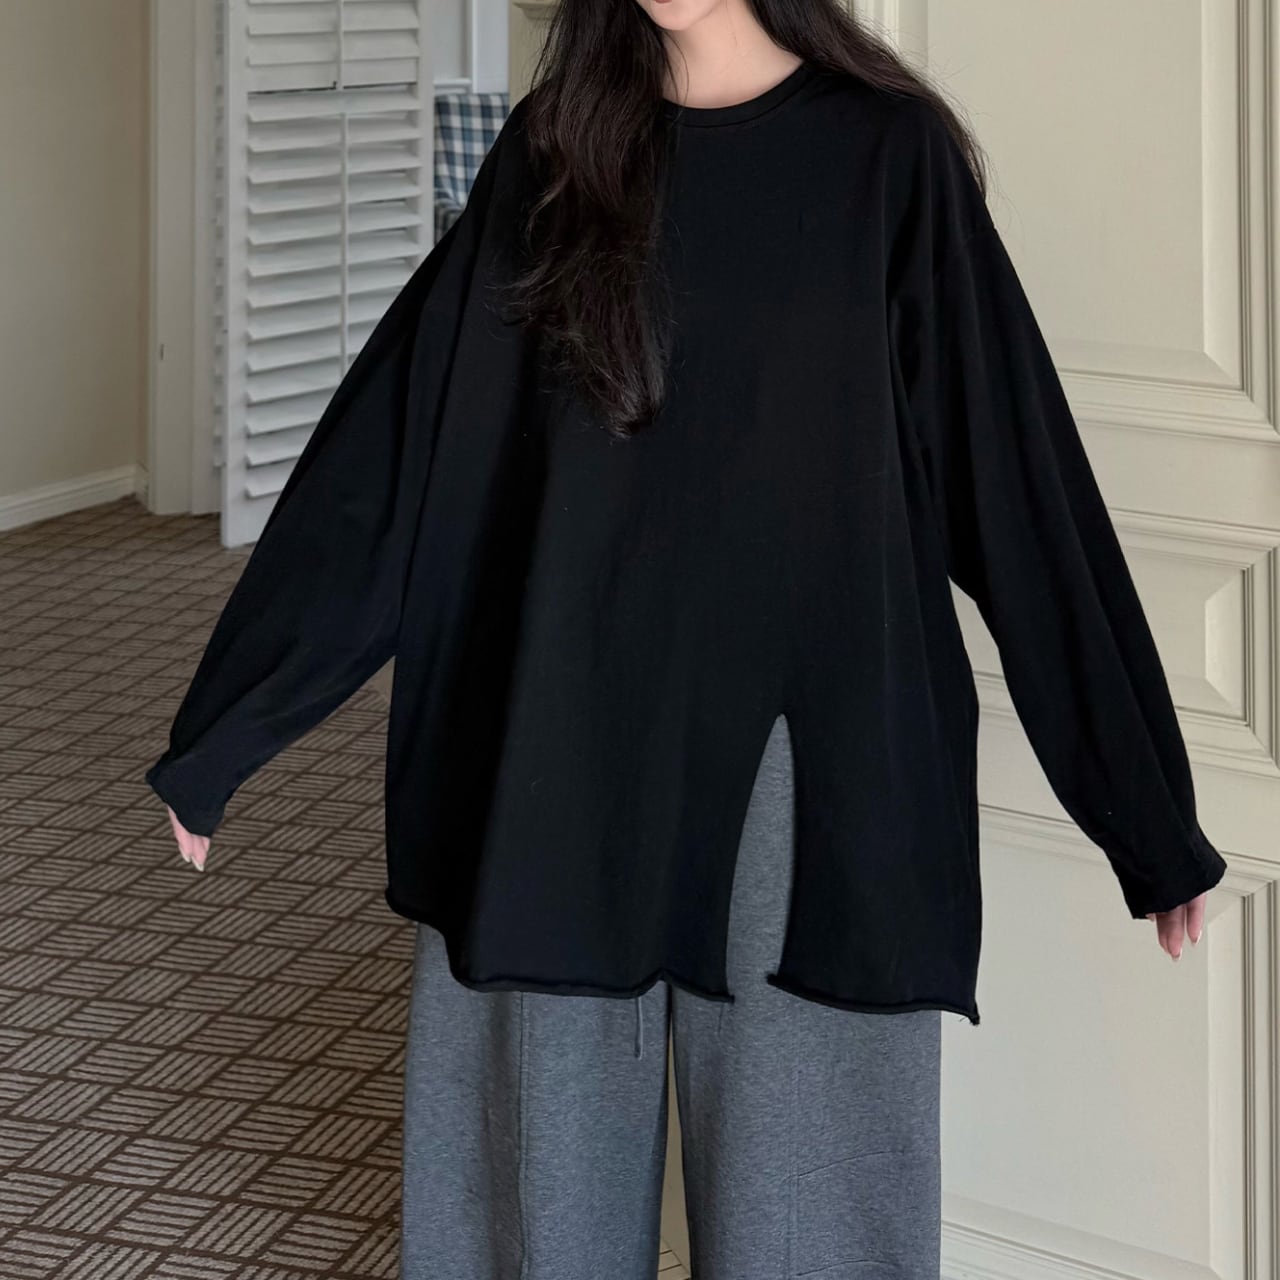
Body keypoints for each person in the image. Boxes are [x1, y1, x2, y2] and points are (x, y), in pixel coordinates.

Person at [144, 2, 1230, 1277]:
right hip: (554, 738)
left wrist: (1142, 810)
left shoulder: (888, 157)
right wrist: (231, 723)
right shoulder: (552, 153)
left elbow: (1015, 482)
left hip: (807, 768)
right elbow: (400, 451)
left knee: (809, 1229)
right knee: (534, 1220)